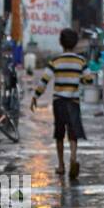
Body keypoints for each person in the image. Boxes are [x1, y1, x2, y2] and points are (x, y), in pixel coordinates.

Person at [31, 27, 93, 179]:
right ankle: (73, 157)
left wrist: (35, 96)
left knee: (59, 134)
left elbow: (44, 80)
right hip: (73, 101)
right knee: (73, 132)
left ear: (61, 43)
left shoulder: (55, 61)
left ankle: (61, 165)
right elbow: (89, 80)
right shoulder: (81, 61)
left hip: (59, 102)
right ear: (76, 43)